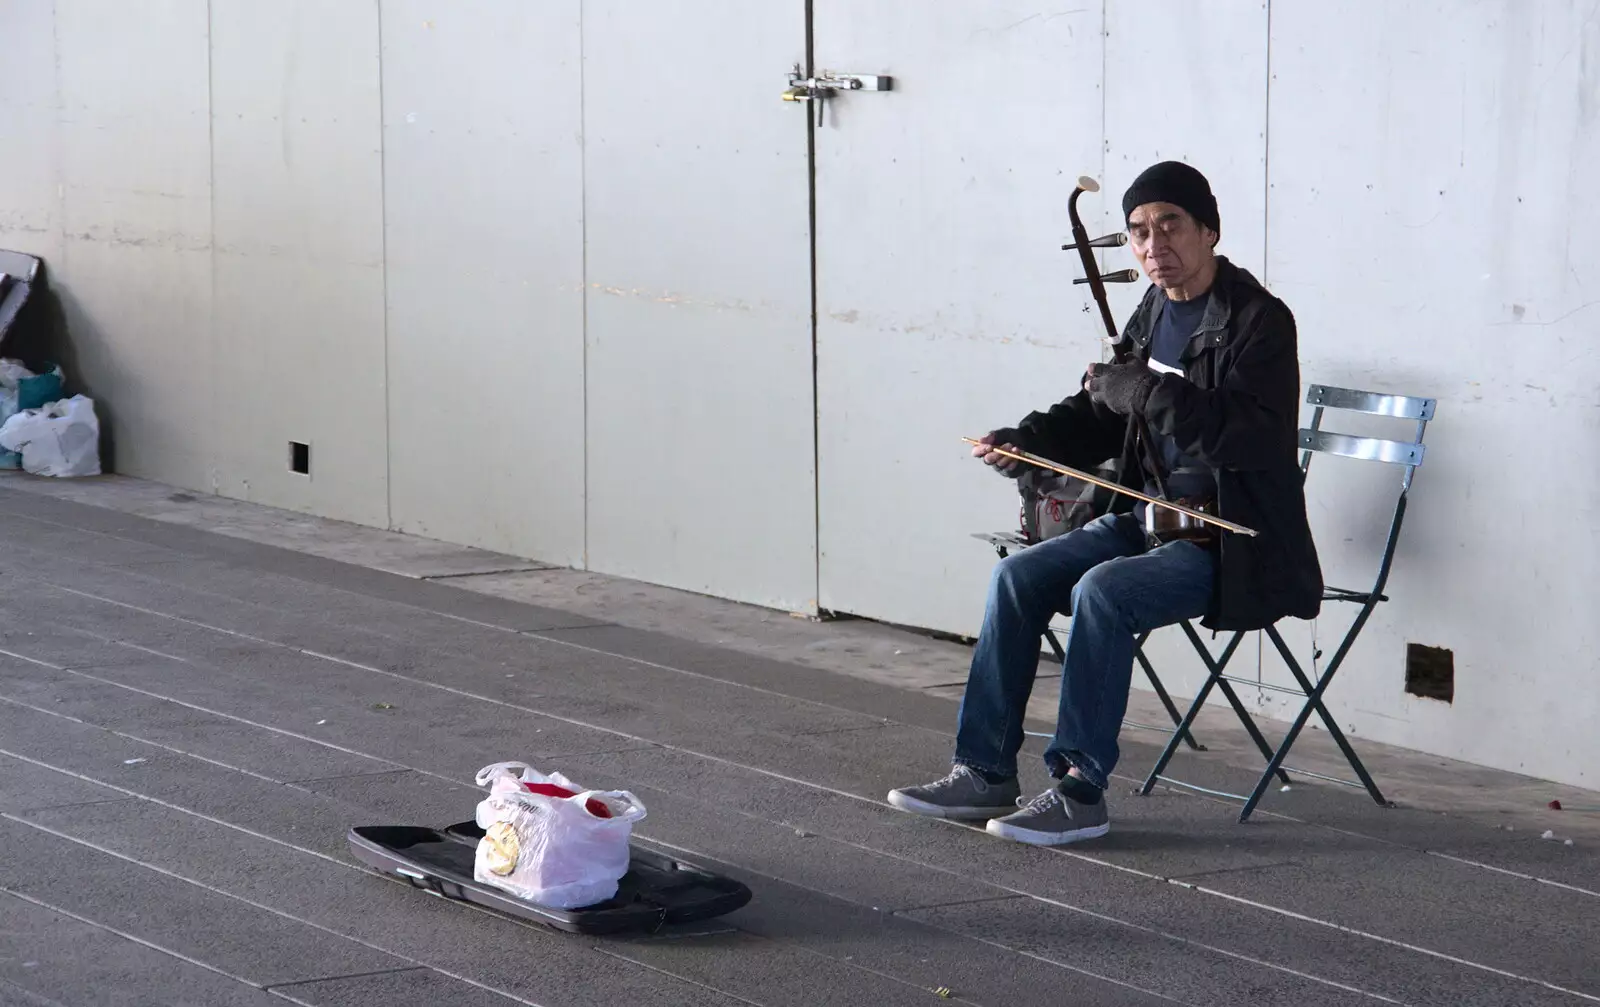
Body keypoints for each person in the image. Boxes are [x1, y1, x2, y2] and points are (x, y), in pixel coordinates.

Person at [888, 161, 1323, 845]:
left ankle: (1079, 788)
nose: (1155, 245)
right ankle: (984, 770)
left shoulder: (1259, 321)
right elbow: (1102, 411)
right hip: (1150, 518)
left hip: (1232, 541)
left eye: (1171, 224)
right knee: (1016, 576)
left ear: (1210, 228)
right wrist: (1026, 440)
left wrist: (1142, 392)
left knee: (1104, 590)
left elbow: (1249, 437)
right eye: (1139, 232)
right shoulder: (1153, 311)